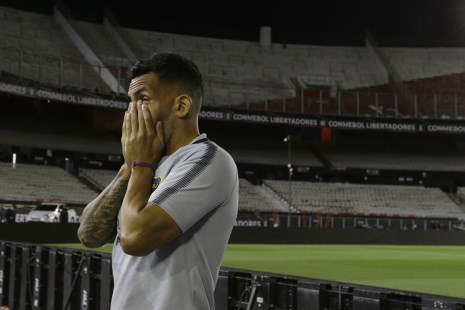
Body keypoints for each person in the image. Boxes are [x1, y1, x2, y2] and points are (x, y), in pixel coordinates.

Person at [77, 52, 239, 309]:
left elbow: (134, 239)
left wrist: (140, 165)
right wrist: (130, 167)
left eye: (142, 99)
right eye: (129, 101)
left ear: (181, 106)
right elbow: (88, 235)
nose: (131, 111)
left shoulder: (210, 160)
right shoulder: (144, 164)